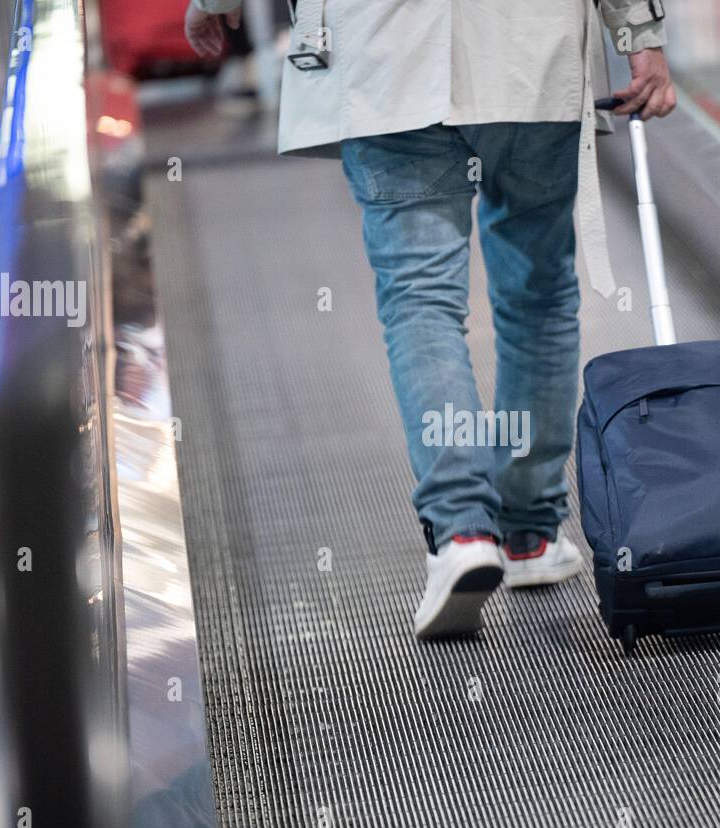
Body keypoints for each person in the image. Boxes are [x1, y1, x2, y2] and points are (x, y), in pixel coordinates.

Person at [186, 0, 676, 637]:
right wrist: (639, 35)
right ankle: (528, 534)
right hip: (531, 53)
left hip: (387, 56)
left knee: (421, 297)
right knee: (538, 293)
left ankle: (462, 532)